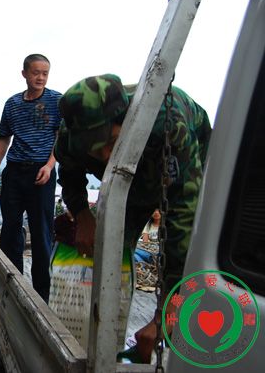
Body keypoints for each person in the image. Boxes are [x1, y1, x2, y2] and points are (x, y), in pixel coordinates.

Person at [54, 74, 211, 362]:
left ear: (126, 121)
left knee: (191, 264)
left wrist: (167, 311)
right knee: (106, 247)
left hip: (184, 167)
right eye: (94, 148)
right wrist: (83, 214)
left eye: (111, 142)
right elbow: (70, 173)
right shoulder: (72, 135)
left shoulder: (168, 124)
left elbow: (181, 222)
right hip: (127, 184)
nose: (105, 155)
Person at [0, 53, 62, 302]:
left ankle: (41, 296)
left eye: (45, 73)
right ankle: (12, 286)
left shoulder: (56, 101)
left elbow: (61, 138)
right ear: (24, 74)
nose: (40, 77)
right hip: (15, 171)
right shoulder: (12, 104)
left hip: (42, 172)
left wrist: (49, 166)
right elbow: (4, 138)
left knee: (41, 233)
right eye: (35, 72)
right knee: (10, 229)